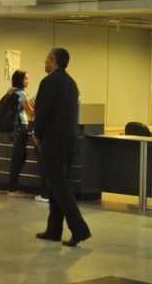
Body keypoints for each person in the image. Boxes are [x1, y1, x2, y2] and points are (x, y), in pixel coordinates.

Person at [32, 47, 91, 247]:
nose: (44, 61)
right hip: (69, 140)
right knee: (56, 184)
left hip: (54, 141)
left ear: (54, 61)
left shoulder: (48, 83)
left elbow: (42, 112)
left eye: (47, 58)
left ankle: (79, 229)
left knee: (60, 186)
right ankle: (54, 229)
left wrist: (37, 133)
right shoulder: (71, 83)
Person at [6, 70, 42, 199]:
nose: (28, 81)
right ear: (20, 80)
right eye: (26, 78)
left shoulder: (11, 91)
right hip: (21, 128)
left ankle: (13, 188)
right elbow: (31, 113)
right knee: (18, 158)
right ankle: (12, 189)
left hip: (15, 129)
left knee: (19, 157)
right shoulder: (21, 94)